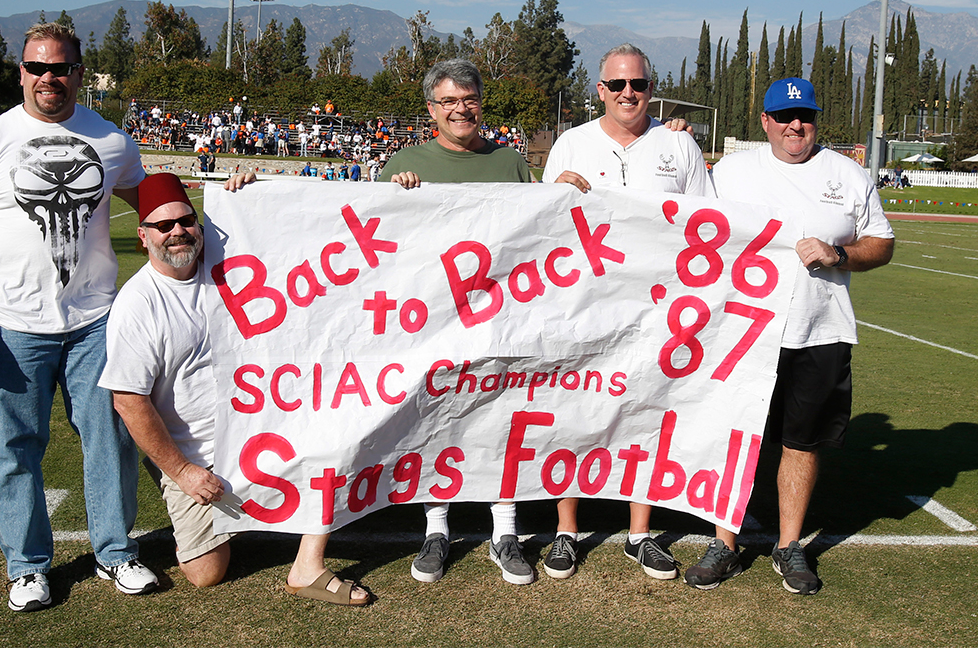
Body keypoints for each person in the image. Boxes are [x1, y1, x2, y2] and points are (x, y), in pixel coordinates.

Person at [0, 22, 157, 613]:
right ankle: (27, 567)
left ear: (79, 72)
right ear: (21, 72)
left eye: (60, 67)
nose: (48, 78)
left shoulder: (111, 142)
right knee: (14, 448)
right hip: (10, 324)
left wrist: (237, 195)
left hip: (96, 322)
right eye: (37, 67)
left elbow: (158, 204)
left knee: (111, 438)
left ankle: (115, 553)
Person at [98, 173, 372, 605]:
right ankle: (225, 510)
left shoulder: (232, 264)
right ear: (143, 236)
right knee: (206, 573)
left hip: (267, 424)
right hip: (196, 452)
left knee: (334, 432)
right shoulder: (139, 304)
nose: (176, 232)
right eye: (163, 226)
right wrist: (183, 472)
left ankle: (308, 565)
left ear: (200, 225)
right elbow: (129, 400)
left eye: (185, 221)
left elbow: (307, 223)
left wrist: (255, 187)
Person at [686, 77, 894, 594]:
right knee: (737, 437)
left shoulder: (846, 175)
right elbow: (687, 223)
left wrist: (839, 253)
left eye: (804, 117)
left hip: (821, 330)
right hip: (743, 331)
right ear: (764, 122)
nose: (794, 126)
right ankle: (723, 545)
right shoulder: (731, 172)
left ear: (816, 120)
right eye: (783, 116)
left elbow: (883, 243)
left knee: (802, 442)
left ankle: (790, 545)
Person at [540, 44, 712, 582]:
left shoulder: (679, 146)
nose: (628, 93)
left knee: (647, 414)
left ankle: (640, 534)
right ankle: (567, 530)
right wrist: (556, 193)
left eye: (637, 83)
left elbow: (710, 222)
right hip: (582, 306)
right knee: (571, 415)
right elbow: (538, 229)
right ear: (600, 90)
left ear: (650, 86)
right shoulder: (571, 144)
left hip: (657, 308)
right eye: (617, 85)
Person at [381, 59, 536, 586]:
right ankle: (437, 526)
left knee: (502, 416)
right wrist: (395, 194)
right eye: (448, 101)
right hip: (432, 322)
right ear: (431, 109)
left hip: (501, 317)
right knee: (434, 419)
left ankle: (505, 531)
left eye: (468, 99)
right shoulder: (404, 164)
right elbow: (380, 244)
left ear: (480, 103)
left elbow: (540, 236)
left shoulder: (511, 164)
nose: (460, 109)